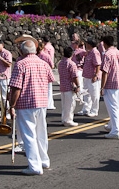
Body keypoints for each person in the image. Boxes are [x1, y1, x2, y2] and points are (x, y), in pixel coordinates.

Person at [9, 40, 55, 176]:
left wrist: (12, 105)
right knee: (41, 132)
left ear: (22, 51)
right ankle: (44, 160)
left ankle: (35, 166)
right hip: (41, 102)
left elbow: (16, 87)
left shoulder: (20, 64)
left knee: (29, 135)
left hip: (25, 103)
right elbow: (50, 79)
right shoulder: (43, 63)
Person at [100, 35, 119, 140]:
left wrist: (102, 87)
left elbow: (105, 72)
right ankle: (112, 125)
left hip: (111, 83)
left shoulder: (107, 54)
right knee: (117, 106)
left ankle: (115, 130)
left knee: (112, 107)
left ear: (105, 44)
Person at [58, 46, 80, 126]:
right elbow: (74, 76)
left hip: (62, 85)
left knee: (64, 104)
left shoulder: (60, 63)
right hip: (69, 86)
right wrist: (78, 86)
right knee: (70, 104)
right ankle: (68, 120)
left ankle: (64, 119)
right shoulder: (71, 64)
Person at [81, 38, 102, 117]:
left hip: (92, 77)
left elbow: (97, 64)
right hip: (87, 76)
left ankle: (94, 110)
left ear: (89, 44)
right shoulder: (89, 52)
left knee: (94, 94)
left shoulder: (95, 52)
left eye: (86, 44)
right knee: (86, 93)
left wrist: (96, 75)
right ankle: (86, 108)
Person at [37, 41, 56, 110]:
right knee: (49, 89)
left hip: (38, 73)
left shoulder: (37, 55)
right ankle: (49, 104)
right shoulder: (46, 56)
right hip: (46, 73)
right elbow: (52, 65)